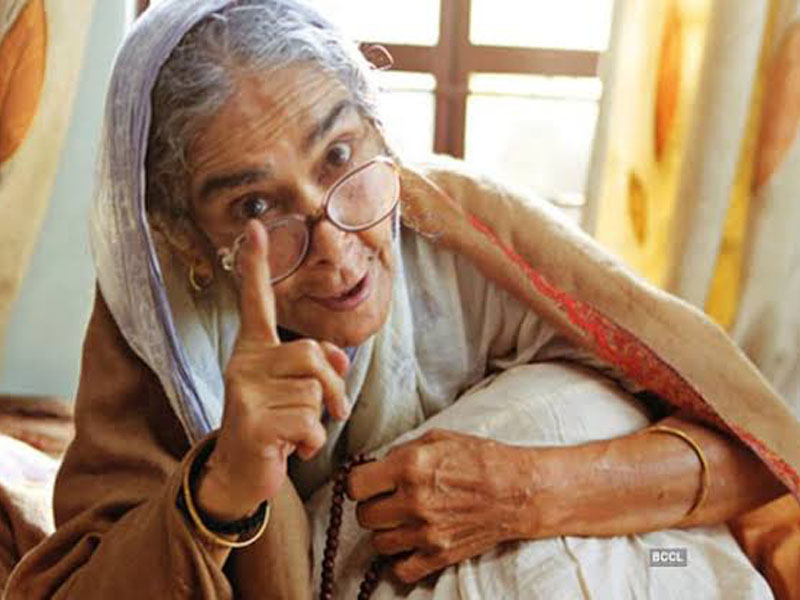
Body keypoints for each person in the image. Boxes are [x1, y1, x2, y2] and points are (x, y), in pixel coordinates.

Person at [6, 0, 800, 598]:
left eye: (342, 155)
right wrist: (227, 480)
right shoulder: (160, 332)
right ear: (186, 239)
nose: (335, 246)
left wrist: (521, 493)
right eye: (256, 208)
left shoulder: (468, 231)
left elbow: (761, 453)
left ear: (384, 136)